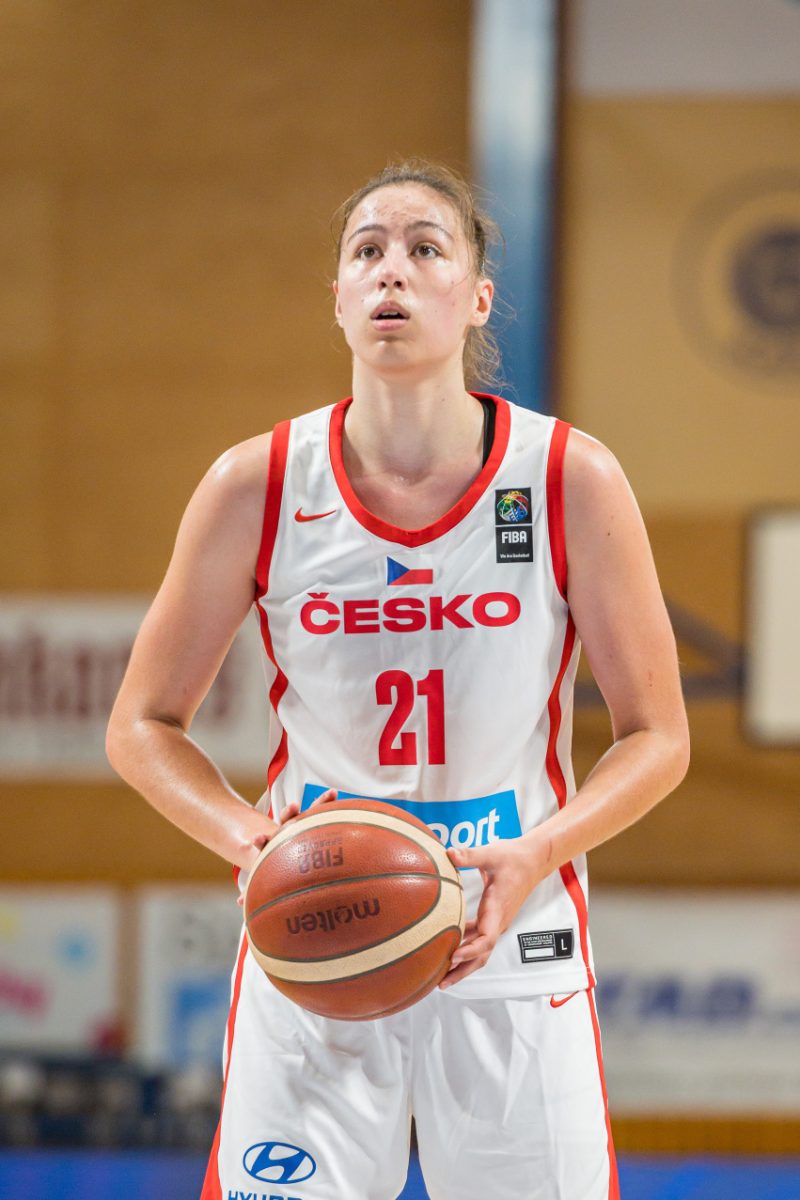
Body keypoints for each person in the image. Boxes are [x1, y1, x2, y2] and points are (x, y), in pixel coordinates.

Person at [107, 160, 689, 1200]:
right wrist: (252, 841)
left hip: (513, 938)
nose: (392, 270)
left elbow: (658, 737)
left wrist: (539, 851)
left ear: (476, 298)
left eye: (425, 248)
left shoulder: (568, 478)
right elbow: (141, 724)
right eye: (367, 250)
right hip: (316, 944)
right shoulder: (257, 484)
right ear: (337, 297)